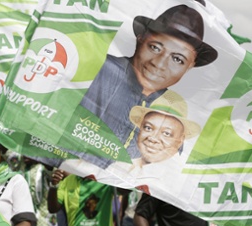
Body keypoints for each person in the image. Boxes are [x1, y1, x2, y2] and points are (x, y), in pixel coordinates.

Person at [79, 4, 217, 168]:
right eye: (155, 47)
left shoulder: (172, 108)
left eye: (178, 59)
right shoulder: (96, 68)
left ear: (189, 66)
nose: (159, 63)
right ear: (141, 38)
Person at [128, 90, 201, 167]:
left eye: (166, 133)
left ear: (180, 140)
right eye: (148, 128)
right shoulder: (122, 163)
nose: (153, 138)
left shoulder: (175, 173)